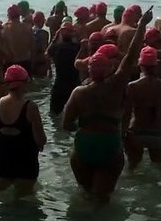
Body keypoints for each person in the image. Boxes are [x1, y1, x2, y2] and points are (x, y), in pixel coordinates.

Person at [62, 15, 147, 203]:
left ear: (89, 70)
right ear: (109, 68)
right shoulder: (116, 86)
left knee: (85, 195)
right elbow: (132, 55)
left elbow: (66, 124)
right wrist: (141, 25)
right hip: (109, 144)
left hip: (84, 145)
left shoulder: (79, 93)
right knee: (102, 198)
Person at [0, 64, 46, 196]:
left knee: (1, 205)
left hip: (2, 161)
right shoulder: (30, 107)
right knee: (24, 204)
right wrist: (40, 145)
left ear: (7, 83)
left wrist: (1, 147)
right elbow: (40, 139)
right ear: (24, 84)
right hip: (26, 162)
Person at [123, 46, 161, 167]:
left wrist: (122, 134)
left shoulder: (132, 86)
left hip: (137, 131)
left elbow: (126, 113)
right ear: (156, 65)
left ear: (140, 65)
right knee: (158, 167)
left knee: (132, 167)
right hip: (157, 132)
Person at [48, 21, 82, 116]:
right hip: (74, 85)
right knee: (74, 115)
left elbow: (46, 54)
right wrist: (78, 35)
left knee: (54, 114)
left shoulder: (57, 48)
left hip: (59, 85)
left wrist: (55, 38)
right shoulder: (77, 48)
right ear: (72, 33)